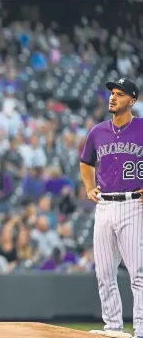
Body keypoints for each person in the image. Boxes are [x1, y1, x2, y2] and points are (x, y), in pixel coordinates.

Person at [80, 78, 143, 338]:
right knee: (104, 272)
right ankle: (113, 328)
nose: (113, 97)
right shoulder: (97, 132)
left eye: (120, 93)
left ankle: (141, 328)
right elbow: (86, 162)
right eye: (112, 93)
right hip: (105, 205)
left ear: (133, 100)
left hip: (133, 205)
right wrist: (88, 187)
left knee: (138, 272)